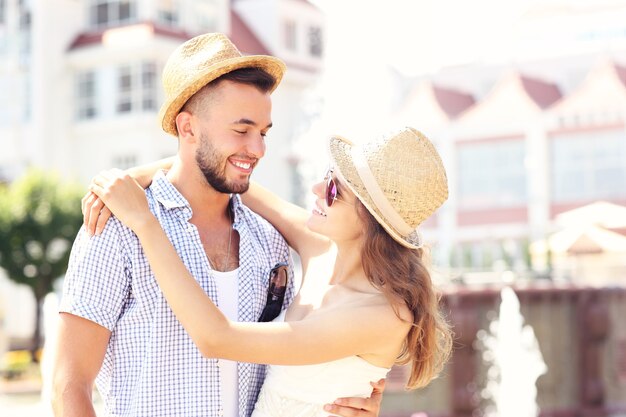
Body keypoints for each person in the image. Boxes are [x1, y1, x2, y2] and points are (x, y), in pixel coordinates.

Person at [52, 32, 383, 417]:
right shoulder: (117, 227)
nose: (257, 150)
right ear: (188, 127)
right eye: (241, 131)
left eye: (263, 133)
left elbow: (287, 372)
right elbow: (68, 387)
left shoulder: (270, 240)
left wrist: (349, 397)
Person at [85, 126, 454, 417]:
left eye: (333, 190)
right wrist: (132, 178)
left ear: (370, 221)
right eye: (328, 176)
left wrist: (145, 222)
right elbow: (230, 181)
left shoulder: (381, 314)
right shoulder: (322, 251)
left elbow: (216, 338)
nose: (315, 189)